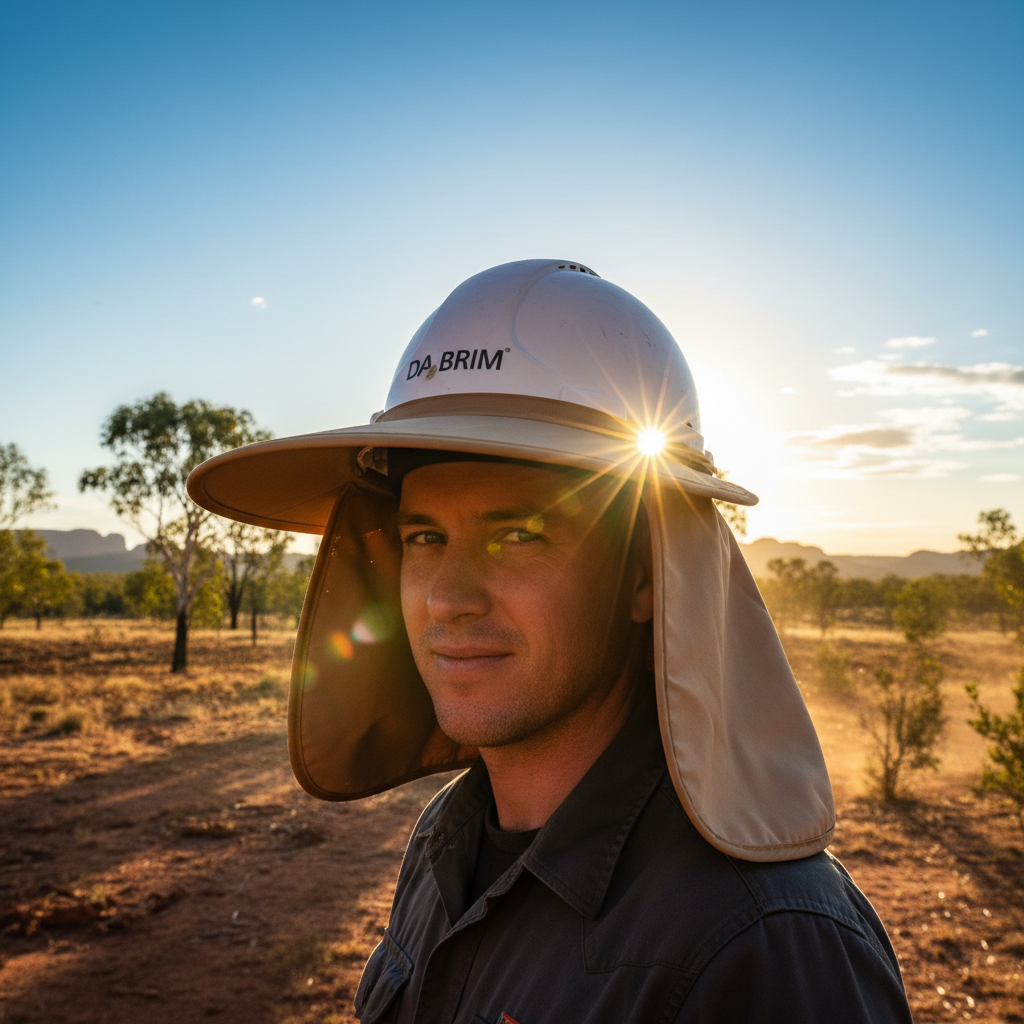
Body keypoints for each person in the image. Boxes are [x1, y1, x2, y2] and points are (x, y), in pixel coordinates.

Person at [188, 259, 913, 1023]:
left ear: (645, 576)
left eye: (518, 535)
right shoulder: (448, 841)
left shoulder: (765, 945)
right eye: (426, 536)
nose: (446, 600)